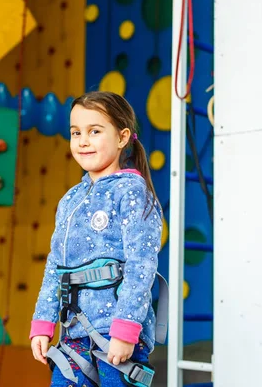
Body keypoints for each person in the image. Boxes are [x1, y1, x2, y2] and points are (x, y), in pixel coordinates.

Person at [30, 91, 166, 386]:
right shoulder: (70, 200)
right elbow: (55, 267)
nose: (83, 141)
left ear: (122, 137)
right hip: (73, 334)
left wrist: (126, 329)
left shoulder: (131, 192)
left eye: (94, 131)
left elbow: (141, 266)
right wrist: (43, 323)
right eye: (76, 132)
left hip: (115, 332)